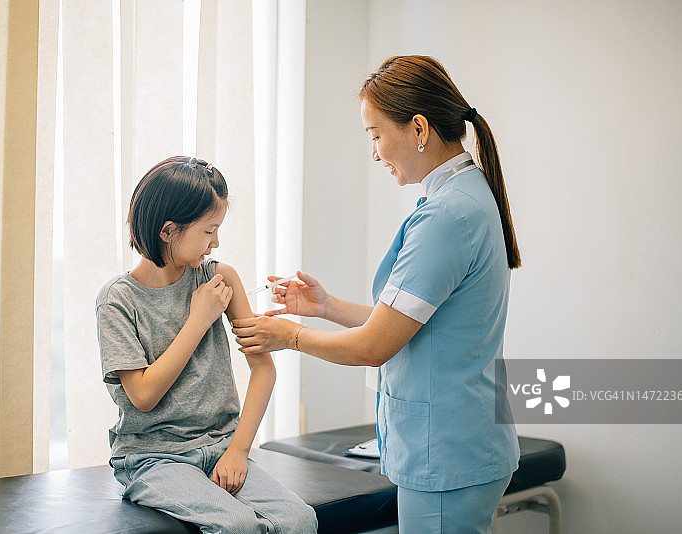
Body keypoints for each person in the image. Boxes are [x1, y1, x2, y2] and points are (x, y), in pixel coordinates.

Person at [232, 55, 520, 534]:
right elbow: (416, 322)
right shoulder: (463, 197)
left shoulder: (447, 217)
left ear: (419, 128)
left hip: (447, 451)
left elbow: (374, 346)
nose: (374, 152)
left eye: (375, 135)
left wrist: (290, 335)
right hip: (462, 439)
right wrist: (326, 308)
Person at [95, 156, 317, 534]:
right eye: (208, 230)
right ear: (168, 231)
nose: (216, 242)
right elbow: (144, 396)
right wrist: (199, 320)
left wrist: (238, 451)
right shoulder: (119, 300)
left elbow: (264, 369)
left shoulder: (220, 278)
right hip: (153, 457)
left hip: (221, 445)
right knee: (236, 526)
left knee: (300, 520)